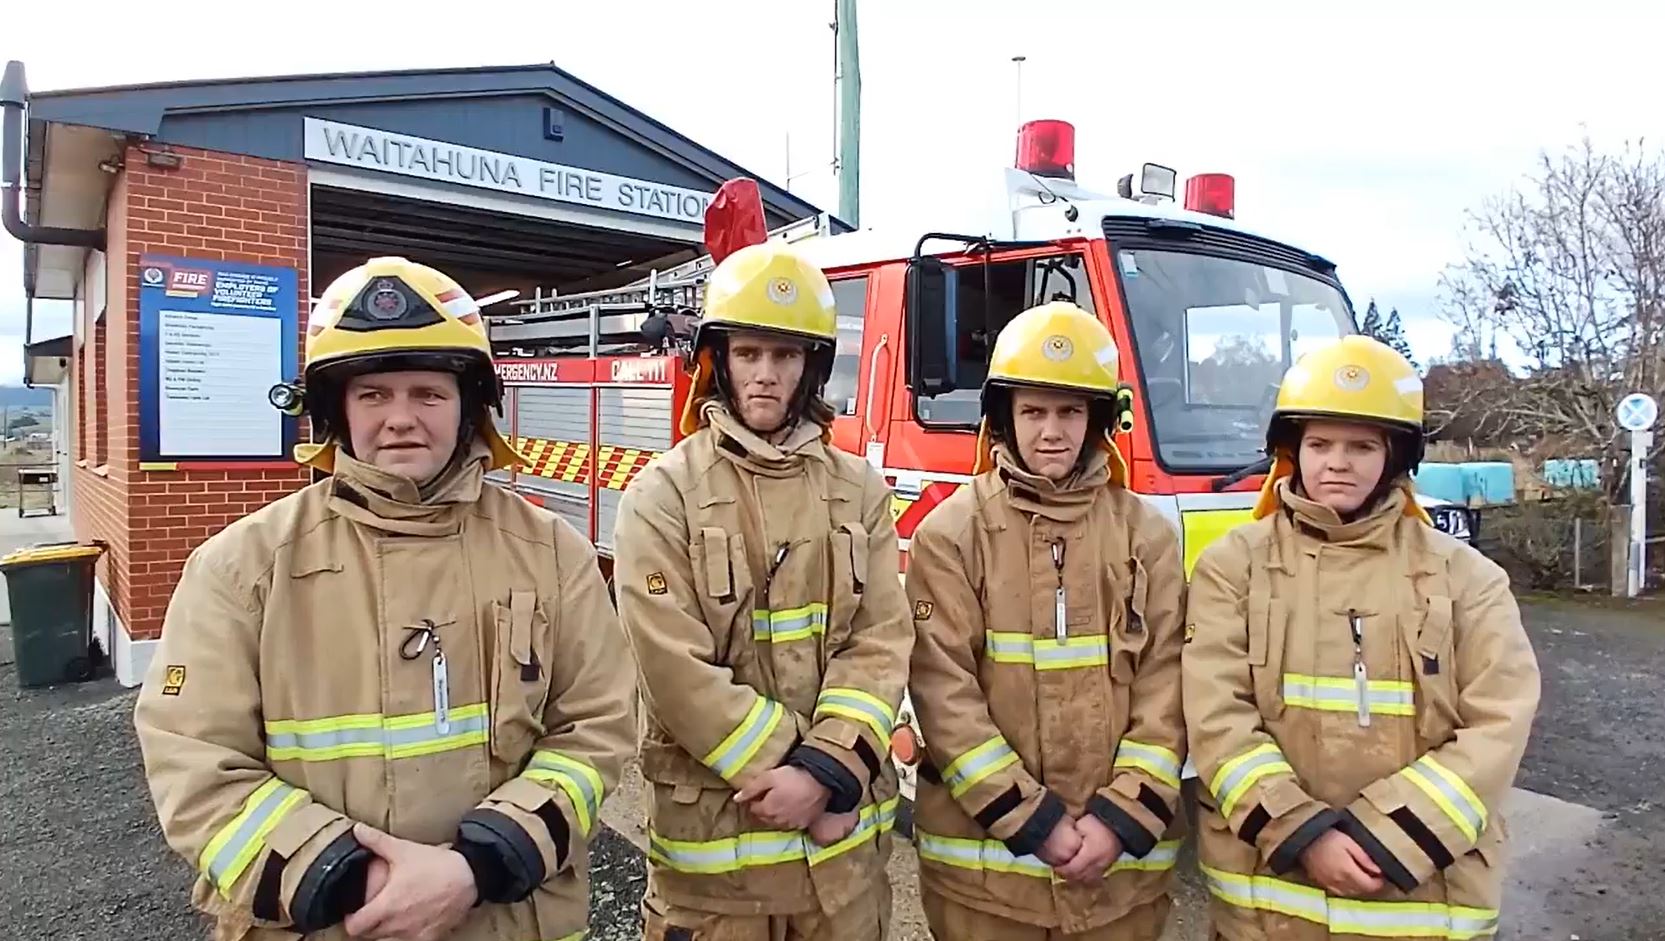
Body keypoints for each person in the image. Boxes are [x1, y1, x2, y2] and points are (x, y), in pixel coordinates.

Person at [132, 257, 638, 941]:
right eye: (374, 394)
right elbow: (193, 761)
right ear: (336, 408)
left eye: (427, 392)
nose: (400, 418)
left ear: (468, 408)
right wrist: (356, 880)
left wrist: (473, 870)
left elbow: (598, 726)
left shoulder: (552, 551)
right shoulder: (240, 567)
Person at [1182, 334, 1541, 941]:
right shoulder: (1231, 566)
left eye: (1361, 445)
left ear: (1395, 456)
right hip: (1267, 910)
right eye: (1319, 444)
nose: (1337, 462)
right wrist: (1301, 833)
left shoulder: (1466, 577)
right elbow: (1215, 714)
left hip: (1422, 905)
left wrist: (1391, 834)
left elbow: (1498, 723)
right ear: (1293, 450)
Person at [611, 240, 913, 940]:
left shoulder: (858, 489)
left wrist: (828, 766)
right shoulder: (663, 494)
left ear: (812, 365)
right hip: (717, 876)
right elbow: (670, 667)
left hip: (842, 872)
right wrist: (798, 770)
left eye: (785, 356)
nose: (767, 376)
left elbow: (880, 639)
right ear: (717, 360)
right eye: (749, 354)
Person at [905, 301, 1189, 940]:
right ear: (1004, 417)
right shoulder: (950, 535)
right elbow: (943, 694)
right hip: (987, 888)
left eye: (1070, 411)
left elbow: (1168, 684)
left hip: (1120, 885)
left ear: (1097, 422)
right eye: (1033, 411)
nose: (1052, 431)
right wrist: (1032, 821)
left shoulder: (1148, 536)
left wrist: (1122, 817)